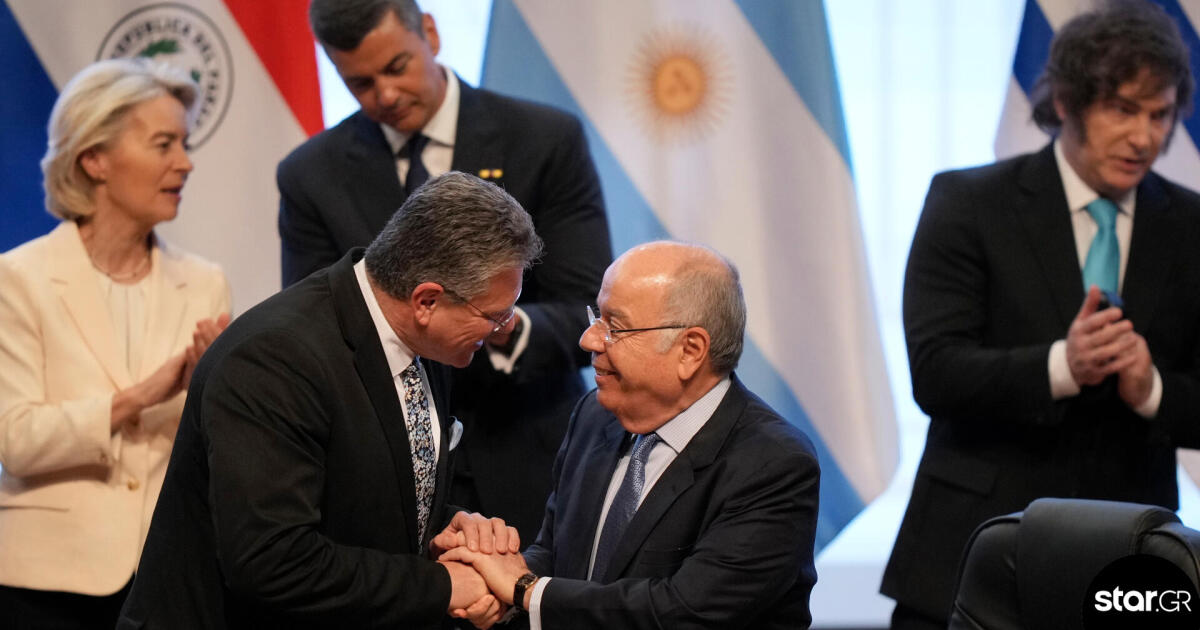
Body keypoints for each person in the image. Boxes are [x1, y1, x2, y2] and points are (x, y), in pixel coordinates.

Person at [881, 4, 1200, 628]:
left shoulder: (1191, 226)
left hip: (1128, 564)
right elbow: (936, 373)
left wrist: (1151, 388)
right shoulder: (967, 202)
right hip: (967, 556)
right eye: (1123, 109)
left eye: (1160, 114)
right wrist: (1062, 365)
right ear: (1066, 102)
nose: (1145, 137)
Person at [118, 172, 542, 629]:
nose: (502, 330)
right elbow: (273, 561)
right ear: (426, 301)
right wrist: (443, 585)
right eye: (495, 316)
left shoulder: (425, 342)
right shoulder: (273, 361)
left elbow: (368, 495)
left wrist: (450, 528)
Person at [277, 0, 612, 543]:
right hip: (379, 474)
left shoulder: (544, 139)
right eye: (360, 83)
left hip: (526, 457)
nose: (385, 95)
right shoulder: (311, 175)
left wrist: (500, 326)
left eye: (396, 67)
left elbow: (587, 309)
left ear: (430, 34)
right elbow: (315, 326)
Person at [438, 241, 821, 629]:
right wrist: (497, 588)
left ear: (690, 350)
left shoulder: (773, 464)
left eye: (614, 327)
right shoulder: (593, 416)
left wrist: (524, 590)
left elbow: (683, 613)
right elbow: (556, 555)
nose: (588, 340)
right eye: (595, 317)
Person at [0, 58, 230, 629]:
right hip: (44, 585)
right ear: (94, 159)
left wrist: (220, 394)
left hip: (171, 578)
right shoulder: (18, 278)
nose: (185, 162)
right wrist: (143, 395)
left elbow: (218, 453)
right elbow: (17, 441)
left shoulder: (205, 282)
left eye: (184, 144)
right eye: (163, 144)